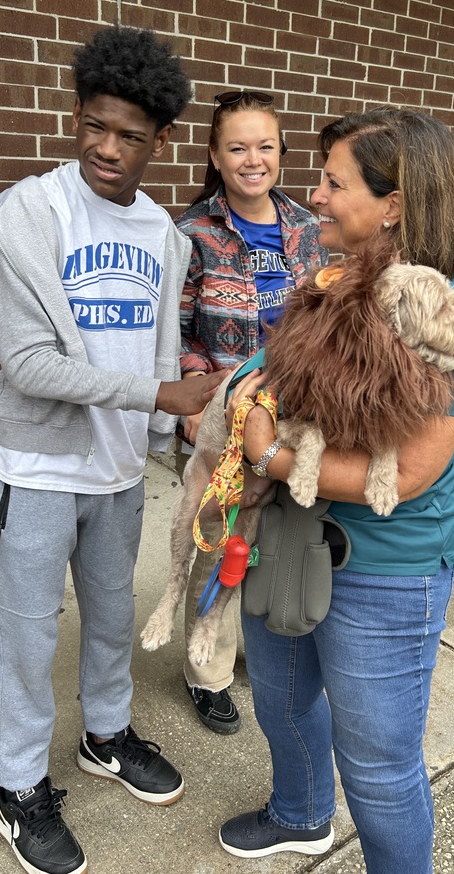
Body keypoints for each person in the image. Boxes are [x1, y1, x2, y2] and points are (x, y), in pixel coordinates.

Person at [0, 25, 227, 874]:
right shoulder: (25, 216)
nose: (107, 149)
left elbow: (158, 347)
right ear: (76, 114)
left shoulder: (163, 233)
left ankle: (106, 737)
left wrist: (171, 423)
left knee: (114, 615)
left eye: (129, 135)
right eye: (94, 126)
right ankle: (18, 787)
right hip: (38, 467)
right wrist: (160, 397)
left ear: (162, 139)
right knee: (26, 635)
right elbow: (30, 365)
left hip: (116, 469)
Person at [218, 108, 454, 874]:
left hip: (385, 570)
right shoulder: (330, 281)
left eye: (335, 184)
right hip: (290, 540)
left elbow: (406, 474)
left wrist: (270, 455)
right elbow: (271, 377)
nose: (316, 196)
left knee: (378, 765)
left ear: (393, 204)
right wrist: (250, 393)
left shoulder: (435, 311)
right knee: (281, 701)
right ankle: (301, 814)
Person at [175, 90, 327, 733]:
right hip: (223, 414)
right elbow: (176, 330)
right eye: (237, 147)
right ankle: (205, 667)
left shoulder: (308, 228)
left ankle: (250, 647)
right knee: (219, 537)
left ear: (281, 152)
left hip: (292, 412)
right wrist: (192, 395)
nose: (252, 159)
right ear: (215, 156)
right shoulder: (192, 234)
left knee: (274, 537)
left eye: (265, 146)